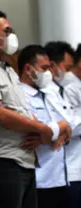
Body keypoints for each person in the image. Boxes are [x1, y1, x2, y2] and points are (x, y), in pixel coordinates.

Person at [0, 11, 55, 208]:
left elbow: (21, 110)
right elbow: (0, 113)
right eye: (7, 31)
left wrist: (36, 129)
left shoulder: (8, 68)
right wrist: (41, 129)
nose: (12, 36)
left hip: (26, 159)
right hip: (4, 159)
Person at [19, 45, 72, 208]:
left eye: (49, 67)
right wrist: (58, 129)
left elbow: (68, 125)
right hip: (39, 178)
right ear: (28, 69)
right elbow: (35, 129)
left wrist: (60, 131)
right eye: (44, 68)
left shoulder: (49, 92)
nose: (48, 72)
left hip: (60, 176)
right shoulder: (20, 94)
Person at [44, 41, 81, 208]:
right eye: (67, 68)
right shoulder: (67, 88)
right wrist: (65, 129)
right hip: (67, 167)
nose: (68, 73)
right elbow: (69, 126)